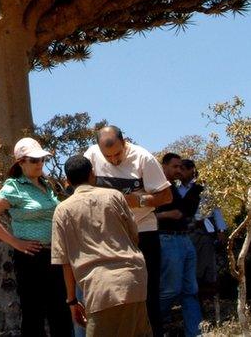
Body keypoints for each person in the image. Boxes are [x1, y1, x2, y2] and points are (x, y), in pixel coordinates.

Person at [0, 137, 73, 337]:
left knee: (61, 312)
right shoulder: (15, 186)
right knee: (34, 314)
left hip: (55, 255)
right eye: (34, 160)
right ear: (21, 162)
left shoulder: (46, 185)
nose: (40, 164)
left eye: (42, 160)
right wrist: (15, 242)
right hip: (32, 259)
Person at [84, 126, 172, 335]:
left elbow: (167, 196)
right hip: (107, 236)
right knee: (110, 295)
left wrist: (139, 200)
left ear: (125, 143)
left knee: (147, 294)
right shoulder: (91, 156)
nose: (114, 160)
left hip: (142, 232)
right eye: (109, 157)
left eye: (118, 154)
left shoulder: (143, 159)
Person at [51, 155, 151, 337]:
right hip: (133, 279)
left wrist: (72, 300)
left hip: (99, 288)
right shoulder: (115, 196)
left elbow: (64, 261)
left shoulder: (63, 210)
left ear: (67, 180)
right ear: (92, 174)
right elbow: (133, 235)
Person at [155, 153, 202, 336]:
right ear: (164, 166)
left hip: (184, 238)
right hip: (167, 238)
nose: (178, 170)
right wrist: (167, 215)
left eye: (181, 167)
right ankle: (153, 324)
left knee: (190, 290)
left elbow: (185, 212)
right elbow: (142, 216)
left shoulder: (175, 188)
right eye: (175, 167)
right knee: (170, 289)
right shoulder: (155, 186)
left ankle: (195, 332)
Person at [180, 159, 226, 320]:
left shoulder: (204, 189)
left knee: (208, 270)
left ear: (192, 170)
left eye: (183, 169)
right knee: (190, 271)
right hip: (185, 233)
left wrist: (221, 230)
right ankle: (195, 305)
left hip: (204, 232)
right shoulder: (177, 191)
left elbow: (216, 209)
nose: (180, 172)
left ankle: (210, 308)